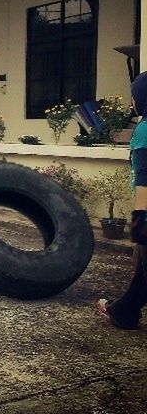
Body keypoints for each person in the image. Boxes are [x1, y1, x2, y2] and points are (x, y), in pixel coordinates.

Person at [96, 70, 147, 328]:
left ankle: (124, 312)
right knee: (142, 270)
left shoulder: (144, 130)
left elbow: (145, 177)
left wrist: (140, 217)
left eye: (134, 96)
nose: (131, 102)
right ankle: (125, 311)